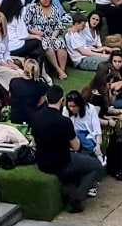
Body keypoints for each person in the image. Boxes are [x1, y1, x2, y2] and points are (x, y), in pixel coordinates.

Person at [26, 82, 105, 212]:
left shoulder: (36, 117)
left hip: (42, 161)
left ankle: (71, 192)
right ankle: (79, 196)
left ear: (47, 99)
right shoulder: (64, 121)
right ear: (61, 100)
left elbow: (34, 140)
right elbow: (77, 145)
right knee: (95, 166)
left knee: (71, 173)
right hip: (62, 162)